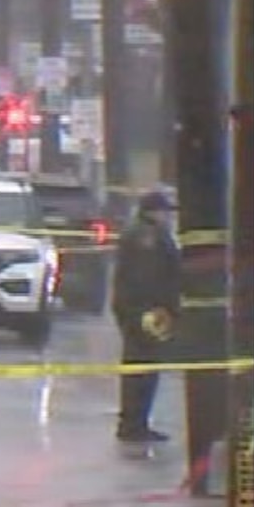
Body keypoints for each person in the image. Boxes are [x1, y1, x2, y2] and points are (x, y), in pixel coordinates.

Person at [111, 187, 180, 446]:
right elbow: (146, 279)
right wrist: (153, 312)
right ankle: (132, 425)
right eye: (166, 211)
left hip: (141, 312)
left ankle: (137, 422)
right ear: (154, 211)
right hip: (144, 313)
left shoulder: (147, 232)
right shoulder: (146, 236)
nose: (169, 216)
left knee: (145, 370)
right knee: (140, 370)